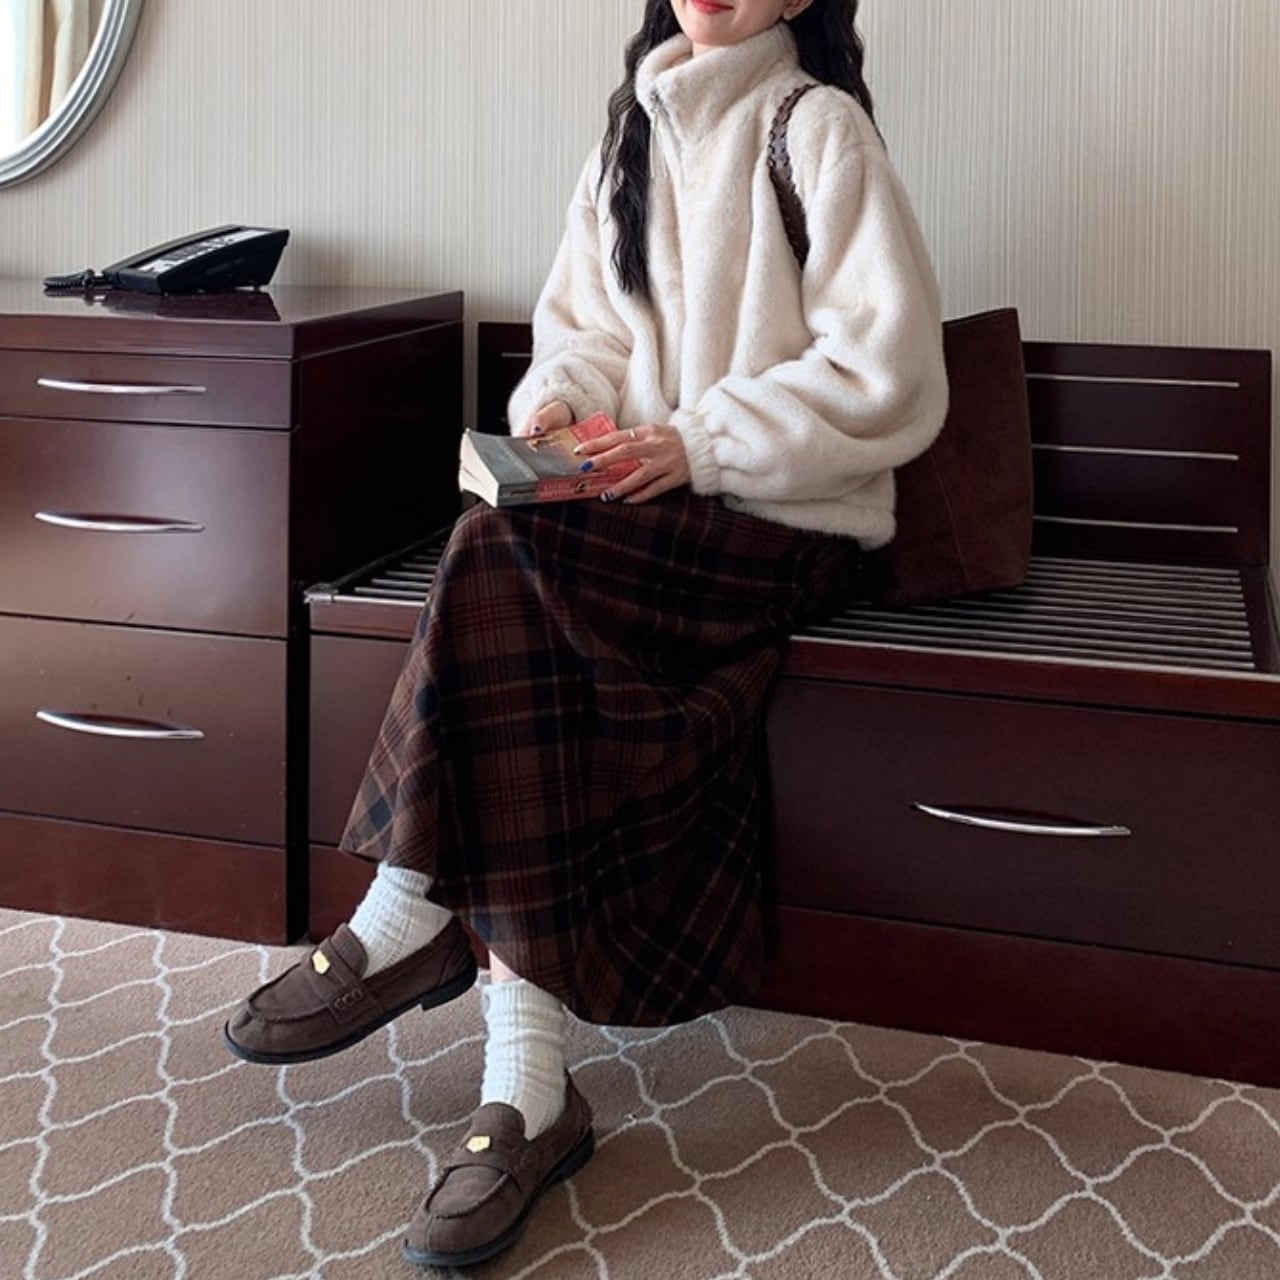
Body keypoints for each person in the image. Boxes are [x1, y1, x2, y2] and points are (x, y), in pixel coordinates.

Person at [223, 0, 948, 1269]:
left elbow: (887, 370)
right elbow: (586, 329)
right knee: (498, 547)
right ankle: (522, 1084)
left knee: (490, 559)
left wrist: (698, 441)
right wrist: (561, 406)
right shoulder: (631, 130)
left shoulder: (815, 127)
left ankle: (415, 916)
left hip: (779, 524)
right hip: (639, 507)